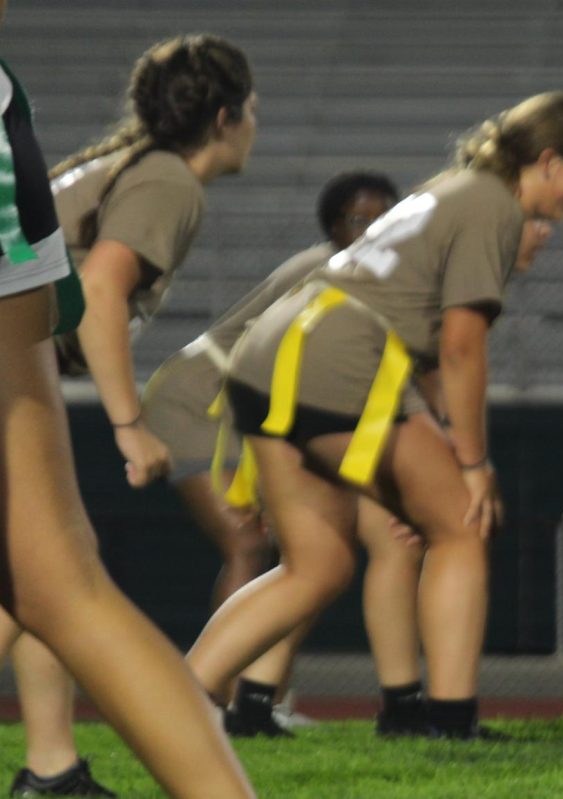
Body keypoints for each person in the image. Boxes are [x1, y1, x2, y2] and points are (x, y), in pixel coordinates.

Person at [184, 91, 563, 739]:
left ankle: (173, 702)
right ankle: (445, 717)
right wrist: (471, 462)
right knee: (460, 527)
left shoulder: (453, 188)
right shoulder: (493, 204)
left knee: (316, 563)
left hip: (271, 351)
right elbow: (463, 347)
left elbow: (432, 349)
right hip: (334, 356)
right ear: (548, 160)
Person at [0, 7, 255, 795]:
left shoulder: (133, 162)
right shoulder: (169, 178)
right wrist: (127, 421)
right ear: (224, 115)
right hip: (18, 312)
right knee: (63, 584)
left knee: (45, 580)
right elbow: (103, 289)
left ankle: (51, 763)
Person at [138, 171, 399, 737]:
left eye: (386, 216)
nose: (375, 228)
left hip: (244, 402)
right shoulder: (325, 268)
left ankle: (256, 696)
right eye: (361, 218)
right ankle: (219, 694)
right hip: (201, 397)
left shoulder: (363, 275)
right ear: (335, 226)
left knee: (301, 553)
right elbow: (273, 358)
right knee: (251, 543)